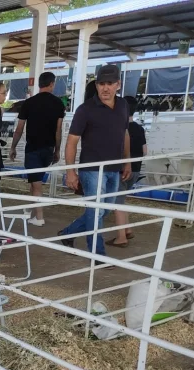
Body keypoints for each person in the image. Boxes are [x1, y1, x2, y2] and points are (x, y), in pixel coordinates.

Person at [58, 65, 131, 258]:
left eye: (110, 84)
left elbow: (124, 134)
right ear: (96, 85)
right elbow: (72, 140)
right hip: (91, 168)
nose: (105, 88)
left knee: (103, 211)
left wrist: (128, 161)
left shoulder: (123, 105)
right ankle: (97, 253)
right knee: (95, 210)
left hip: (114, 167)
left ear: (118, 85)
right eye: (101, 84)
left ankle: (68, 233)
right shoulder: (86, 109)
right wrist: (71, 171)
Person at [9, 72, 65, 227]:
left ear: (39, 84)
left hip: (33, 147)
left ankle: (39, 217)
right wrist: (57, 150)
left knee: (36, 182)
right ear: (52, 84)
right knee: (35, 181)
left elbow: (19, 129)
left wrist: (13, 147)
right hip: (48, 148)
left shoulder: (29, 103)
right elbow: (58, 130)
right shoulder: (58, 104)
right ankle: (30, 210)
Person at [108, 96, 147, 247]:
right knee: (122, 200)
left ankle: (121, 237)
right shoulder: (139, 128)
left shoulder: (119, 128)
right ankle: (127, 229)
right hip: (136, 169)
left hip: (122, 170)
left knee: (117, 203)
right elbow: (145, 151)